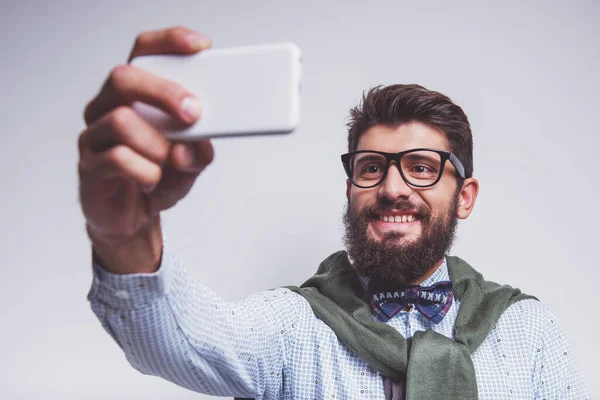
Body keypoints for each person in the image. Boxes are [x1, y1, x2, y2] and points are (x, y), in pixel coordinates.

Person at [79, 27, 590, 399]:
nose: (393, 188)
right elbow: (176, 340)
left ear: (466, 196)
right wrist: (126, 236)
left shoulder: (527, 333)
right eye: (372, 168)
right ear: (350, 189)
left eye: (421, 167)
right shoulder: (292, 325)